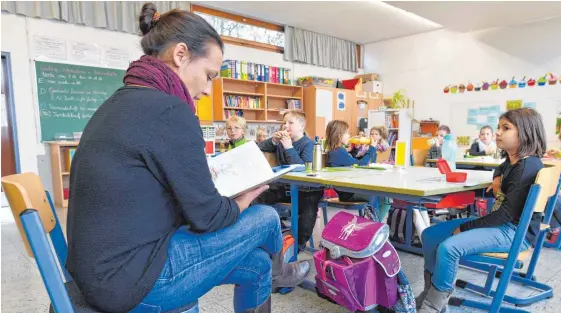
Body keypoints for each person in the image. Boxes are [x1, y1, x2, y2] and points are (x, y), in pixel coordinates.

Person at [65, 4, 308, 313]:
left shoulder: (120, 101)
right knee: (266, 218)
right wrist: (244, 199)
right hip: (134, 281)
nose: (207, 90)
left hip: (101, 272)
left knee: (257, 263)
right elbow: (207, 217)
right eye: (208, 75)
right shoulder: (170, 109)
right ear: (180, 55)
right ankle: (281, 272)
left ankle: (273, 270)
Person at [417, 108, 546, 313]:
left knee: (449, 248)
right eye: (498, 127)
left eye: (506, 128)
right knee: (430, 234)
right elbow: (502, 166)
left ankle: (432, 306)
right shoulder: (515, 161)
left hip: (514, 232)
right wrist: (497, 176)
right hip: (503, 225)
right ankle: (429, 293)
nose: (497, 132)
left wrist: (466, 227)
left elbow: (504, 215)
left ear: (526, 132)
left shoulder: (525, 168)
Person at [255, 110, 324, 251]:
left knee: (308, 209)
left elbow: (303, 169)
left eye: (290, 123)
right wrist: (273, 141)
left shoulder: (308, 144)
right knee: (256, 197)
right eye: (284, 123)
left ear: (301, 127)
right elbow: (259, 148)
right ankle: (283, 232)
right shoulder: (280, 142)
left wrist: (289, 148)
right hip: (284, 187)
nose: (285, 126)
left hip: (305, 189)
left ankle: (297, 245)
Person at [325, 120, 376, 202]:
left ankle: (373, 212)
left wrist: (355, 149)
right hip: (349, 194)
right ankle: (377, 214)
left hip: (345, 193)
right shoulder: (339, 152)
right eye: (347, 133)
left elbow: (348, 160)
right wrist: (372, 149)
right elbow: (360, 164)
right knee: (381, 196)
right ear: (339, 135)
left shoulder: (335, 151)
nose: (349, 136)